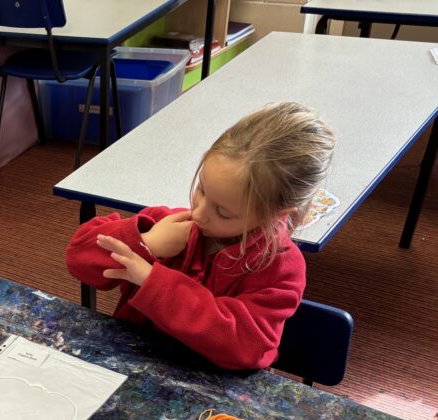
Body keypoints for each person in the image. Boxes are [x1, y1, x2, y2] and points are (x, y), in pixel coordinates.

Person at [66, 102, 335, 370]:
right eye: (202, 190)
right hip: (133, 366)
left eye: (224, 212)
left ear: (275, 214)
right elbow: (79, 257)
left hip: (209, 388)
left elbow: (248, 348)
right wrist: (146, 243)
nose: (199, 214)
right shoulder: (166, 223)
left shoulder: (280, 266)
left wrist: (153, 281)